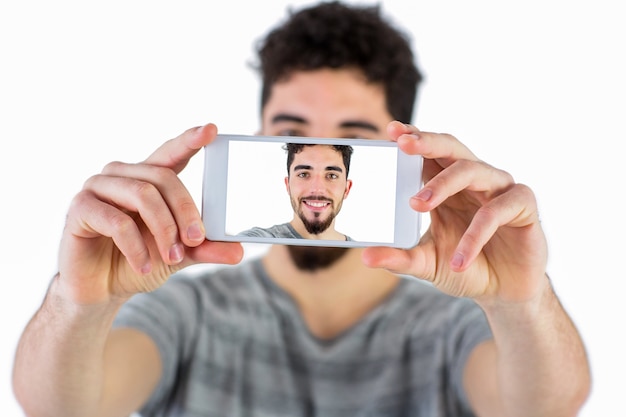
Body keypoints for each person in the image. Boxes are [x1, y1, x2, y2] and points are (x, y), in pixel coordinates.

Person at [12, 2, 591, 417]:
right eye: (293, 138)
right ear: (276, 161)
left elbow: (547, 406)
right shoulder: (186, 312)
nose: (317, 173)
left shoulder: (457, 318)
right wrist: (77, 303)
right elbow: (58, 407)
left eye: (347, 144)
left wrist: (523, 302)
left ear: (383, 166)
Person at [238, 143, 354, 240]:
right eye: (303, 174)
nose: (317, 189)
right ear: (288, 185)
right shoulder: (258, 240)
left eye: (332, 176)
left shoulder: (362, 256)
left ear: (346, 189)